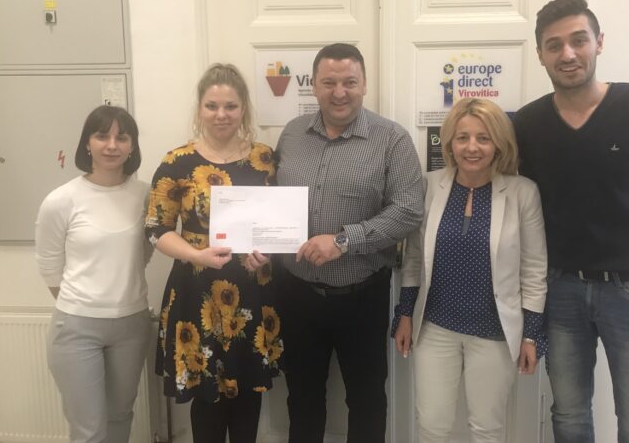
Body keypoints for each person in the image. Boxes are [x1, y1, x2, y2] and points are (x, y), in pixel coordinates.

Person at [514, 0, 629, 443]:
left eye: (579, 40)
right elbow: (524, 201)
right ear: (540, 55)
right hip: (561, 290)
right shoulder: (529, 124)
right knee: (569, 414)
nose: (567, 53)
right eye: (554, 45)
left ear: (599, 42)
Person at [275, 43, 424, 442]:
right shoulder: (292, 134)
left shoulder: (392, 139)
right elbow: (273, 202)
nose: (339, 92)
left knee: (367, 399)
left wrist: (343, 241)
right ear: (314, 86)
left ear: (364, 84)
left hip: (362, 297)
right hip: (296, 294)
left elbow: (409, 210)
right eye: (329, 83)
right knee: (302, 398)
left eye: (349, 82)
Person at [392, 98, 547, 443]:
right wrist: (405, 314)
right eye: (462, 138)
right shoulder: (430, 185)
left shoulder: (523, 193)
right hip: (435, 328)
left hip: (493, 332)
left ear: (499, 144)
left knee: (486, 430)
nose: (472, 147)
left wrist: (531, 335)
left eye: (483, 138)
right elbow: (414, 258)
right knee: (432, 426)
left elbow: (534, 270)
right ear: (449, 143)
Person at [145, 63, 282, 443]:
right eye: (212, 106)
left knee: (249, 392)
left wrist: (268, 252)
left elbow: (279, 222)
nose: (221, 114)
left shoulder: (264, 159)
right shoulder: (177, 162)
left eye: (230, 106)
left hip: (253, 290)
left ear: (244, 109)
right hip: (196, 289)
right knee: (206, 395)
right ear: (200, 108)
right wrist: (196, 255)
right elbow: (155, 228)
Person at [36, 105, 150, 443]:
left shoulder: (146, 196)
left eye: (122, 137)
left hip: (132, 325)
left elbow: (145, 252)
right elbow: (50, 267)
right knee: (89, 430)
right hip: (77, 328)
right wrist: (86, 304)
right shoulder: (61, 200)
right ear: (87, 143)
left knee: (120, 418)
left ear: (132, 146)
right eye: (102, 136)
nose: (112, 145)